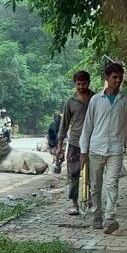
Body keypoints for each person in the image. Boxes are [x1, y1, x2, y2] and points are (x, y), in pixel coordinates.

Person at [79, 62, 127, 234]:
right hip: (96, 148)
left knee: (112, 183)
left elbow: (126, 125)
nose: (118, 81)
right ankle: (97, 215)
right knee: (95, 185)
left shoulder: (125, 101)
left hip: (116, 149)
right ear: (107, 78)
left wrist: (123, 143)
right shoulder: (96, 100)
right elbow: (88, 126)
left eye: (120, 78)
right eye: (114, 77)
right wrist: (83, 152)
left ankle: (109, 217)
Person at [56, 71, 93, 215]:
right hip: (74, 143)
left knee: (93, 174)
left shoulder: (95, 98)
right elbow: (64, 125)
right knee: (73, 174)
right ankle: (74, 204)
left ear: (88, 83)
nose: (81, 87)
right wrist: (59, 146)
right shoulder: (70, 102)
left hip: (92, 143)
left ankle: (91, 199)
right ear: (74, 84)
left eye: (84, 84)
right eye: (78, 84)